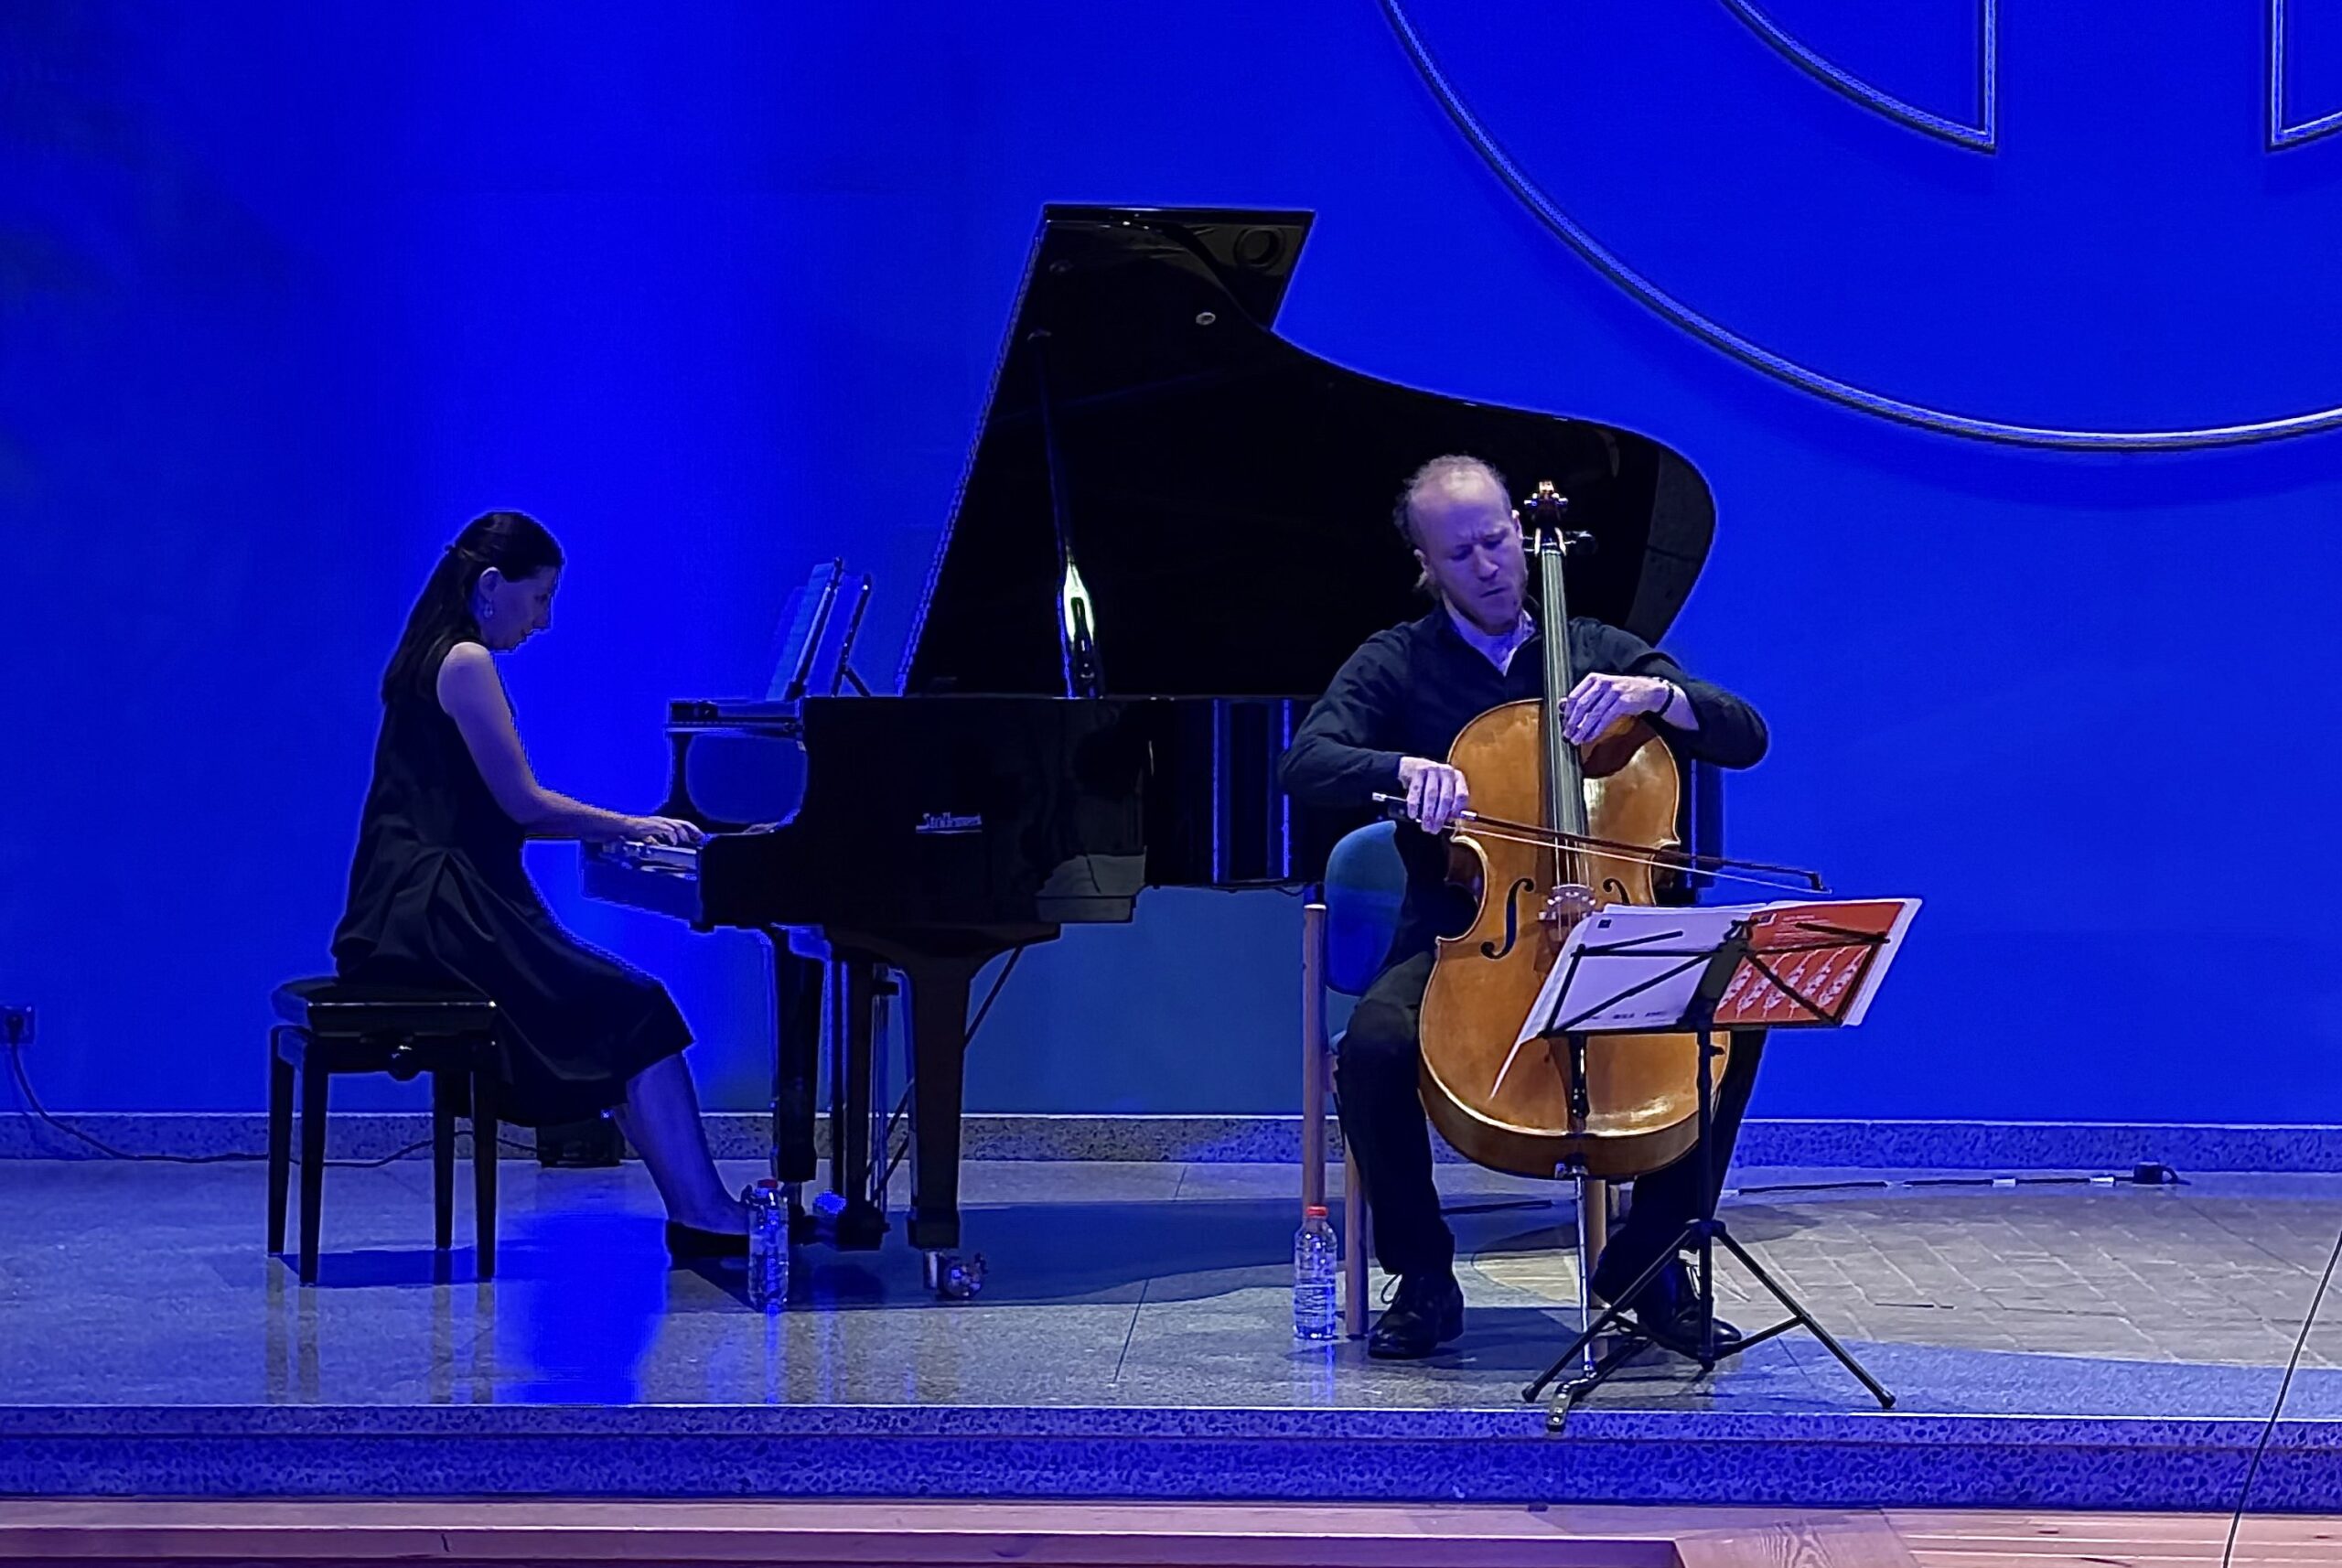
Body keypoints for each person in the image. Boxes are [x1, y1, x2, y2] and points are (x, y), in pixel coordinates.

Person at [1278, 456, 1771, 1359]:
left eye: (1498, 538)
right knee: (1376, 1051)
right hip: (1462, 936)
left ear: (1522, 530)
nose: (1490, 564)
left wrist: (1659, 695)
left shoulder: (1593, 651)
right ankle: (1422, 1276)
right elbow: (1303, 762)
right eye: (1460, 551)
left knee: (1730, 1014)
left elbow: (1745, 734)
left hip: (1613, 927)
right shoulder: (1396, 662)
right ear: (1426, 563)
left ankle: (1648, 1260)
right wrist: (1398, 769)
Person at [332, 510, 747, 1261]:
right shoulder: (463, 662)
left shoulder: (430, 655)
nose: (544, 620)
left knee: (619, 1006)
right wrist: (629, 825)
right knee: (636, 1005)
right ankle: (705, 1212)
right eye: (539, 598)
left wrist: (618, 828)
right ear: (491, 585)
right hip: (441, 909)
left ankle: (699, 1208)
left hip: (415, 903)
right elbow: (522, 805)